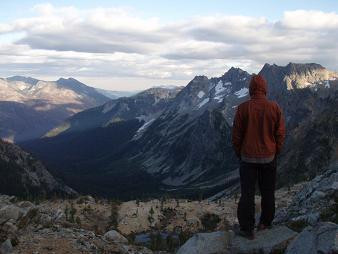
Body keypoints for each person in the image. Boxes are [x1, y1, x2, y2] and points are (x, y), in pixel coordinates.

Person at [232, 74, 286, 239]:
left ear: (250, 89)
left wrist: (239, 153)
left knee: (247, 194)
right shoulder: (274, 107)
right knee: (268, 192)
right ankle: (265, 223)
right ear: (265, 89)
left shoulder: (242, 108)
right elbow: (280, 133)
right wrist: (276, 151)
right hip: (269, 157)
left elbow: (236, 136)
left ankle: (247, 229)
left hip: (247, 158)